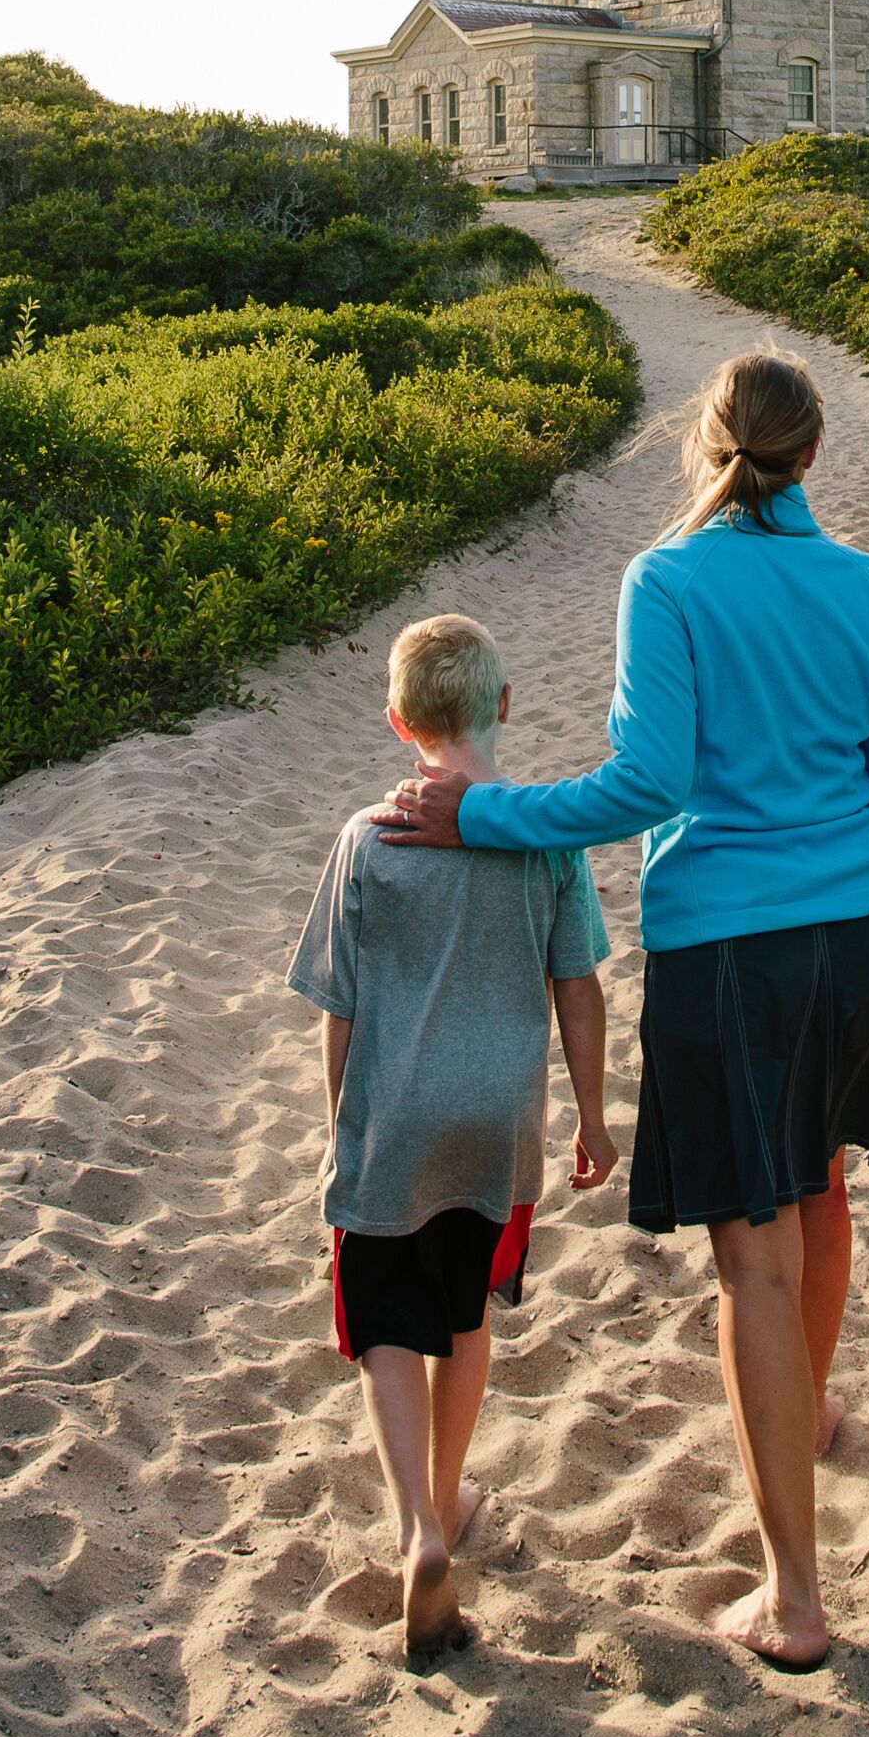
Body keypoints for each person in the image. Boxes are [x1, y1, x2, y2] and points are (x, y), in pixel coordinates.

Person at [374, 352, 869, 1673]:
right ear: (811, 456)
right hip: (857, 935)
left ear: (709, 447)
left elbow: (645, 784)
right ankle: (800, 1420)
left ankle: (793, 1601)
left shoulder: (671, 581)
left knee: (750, 1256)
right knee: (820, 1195)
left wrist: (484, 814)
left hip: (733, 953)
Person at [287, 609, 615, 1668]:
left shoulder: (365, 840)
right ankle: (448, 1490)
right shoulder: (544, 838)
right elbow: (581, 988)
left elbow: (338, 1004)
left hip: (395, 1120)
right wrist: (595, 1115)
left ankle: (418, 1527)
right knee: (468, 1313)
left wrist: (344, 1117)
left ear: (397, 722)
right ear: (505, 705)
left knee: (385, 1321)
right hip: (499, 1123)